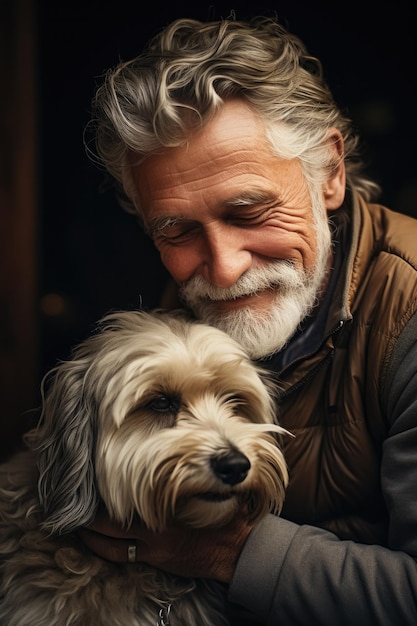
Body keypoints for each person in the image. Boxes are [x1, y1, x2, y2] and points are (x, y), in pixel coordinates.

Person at [79, 14, 417, 624]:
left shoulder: (408, 314)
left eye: (249, 210)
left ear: (330, 173)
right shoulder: (171, 316)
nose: (225, 268)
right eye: (176, 229)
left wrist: (229, 552)